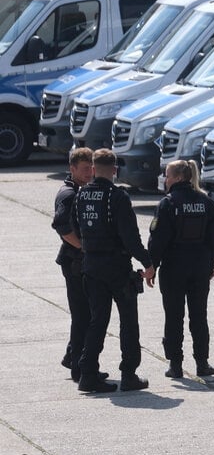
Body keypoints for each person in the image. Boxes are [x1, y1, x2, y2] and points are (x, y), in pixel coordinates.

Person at [72, 148, 155, 393]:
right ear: (115, 171)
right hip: (117, 267)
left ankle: (87, 373)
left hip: (91, 266)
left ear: (94, 169)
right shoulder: (118, 197)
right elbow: (130, 237)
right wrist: (148, 263)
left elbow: (76, 227)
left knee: (97, 320)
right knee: (128, 321)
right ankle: (129, 374)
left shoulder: (81, 195)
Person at [147, 159, 214, 378]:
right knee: (199, 315)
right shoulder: (206, 202)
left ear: (178, 178)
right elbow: (213, 238)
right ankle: (202, 363)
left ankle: (175, 364)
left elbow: (157, 240)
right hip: (199, 267)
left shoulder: (168, 203)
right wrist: (212, 263)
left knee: (174, 315)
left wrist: (151, 265)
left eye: (167, 175)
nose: (165, 179)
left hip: (174, 267)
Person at [52, 147, 102, 382]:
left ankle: (73, 356)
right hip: (74, 262)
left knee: (85, 314)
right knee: (83, 316)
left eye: (92, 169)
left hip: (79, 261)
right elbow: (62, 228)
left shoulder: (82, 190)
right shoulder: (69, 194)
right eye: (84, 170)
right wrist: (84, 246)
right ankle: (78, 367)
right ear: (72, 169)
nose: (90, 173)